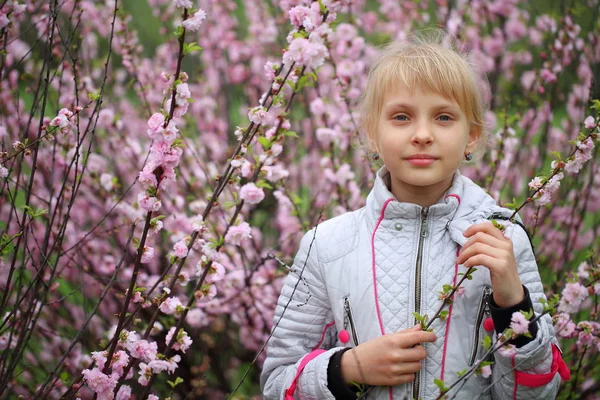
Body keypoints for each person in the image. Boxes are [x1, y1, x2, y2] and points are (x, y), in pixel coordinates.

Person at [260, 33, 569, 400]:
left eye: (443, 117)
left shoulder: (503, 241)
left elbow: (540, 394)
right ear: (373, 133)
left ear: (471, 136)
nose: (422, 135)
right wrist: (349, 368)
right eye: (402, 117)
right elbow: (278, 383)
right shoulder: (326, 246)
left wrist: (513, 303)